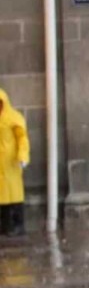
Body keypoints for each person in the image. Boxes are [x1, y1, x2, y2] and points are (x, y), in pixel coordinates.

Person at [0, 89, 30, 237]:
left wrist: (22, 156)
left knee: (14, 195)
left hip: (11, 163)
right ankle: (5, 226)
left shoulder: (13, 118)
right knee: (2, 197)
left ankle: (18, 226)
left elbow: (22, 139)